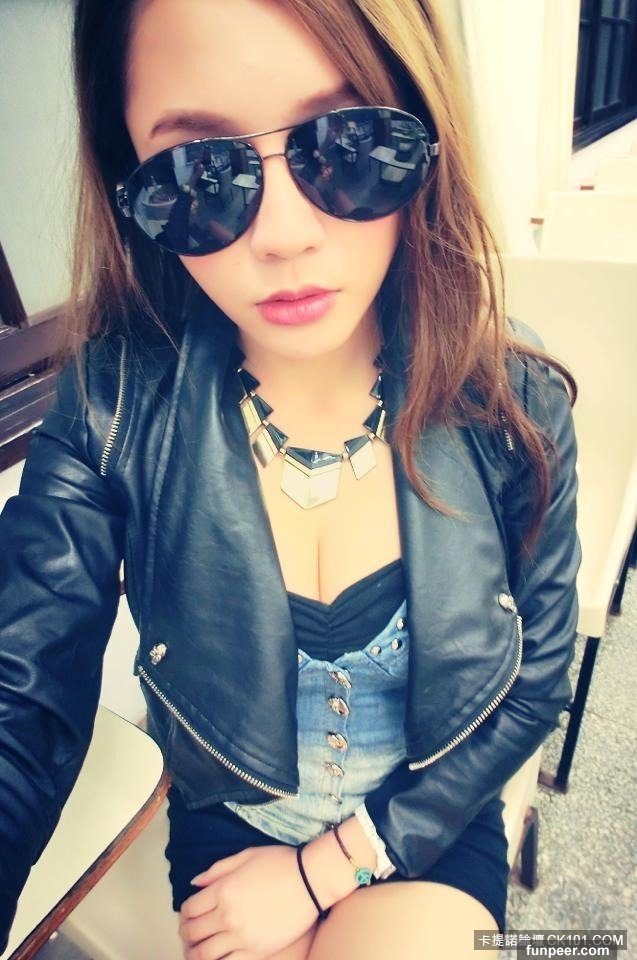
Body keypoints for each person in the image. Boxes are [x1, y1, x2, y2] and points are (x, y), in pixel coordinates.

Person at [0, 1, 581, 958]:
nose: (282, 234)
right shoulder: (112, 406)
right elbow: (20, 693)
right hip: (233, 818)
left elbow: (536, 681)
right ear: (132, 183)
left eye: (348, 143)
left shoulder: (511, 403)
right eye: (198, 173)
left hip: (428, 812)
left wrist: (328, 868)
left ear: (425, 128)